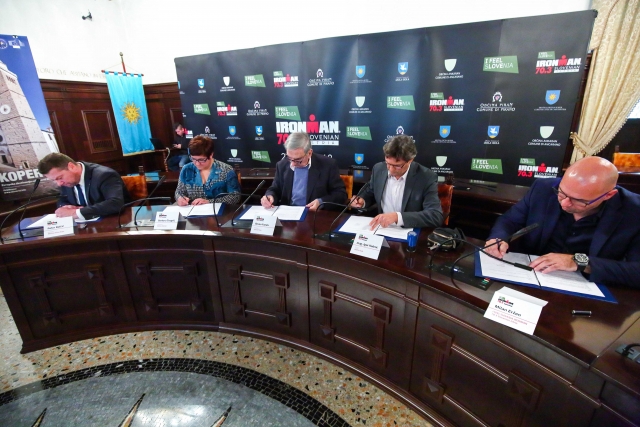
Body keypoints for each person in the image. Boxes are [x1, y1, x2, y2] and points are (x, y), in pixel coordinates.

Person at [484, 156, 640, 288]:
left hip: (587, 288)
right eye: (561, 192)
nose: (564, 203)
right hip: (531, 277)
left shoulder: (634, 211)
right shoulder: (543, 188)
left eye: (579, 200)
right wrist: (499, 238)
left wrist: (579, 262)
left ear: (608, 195)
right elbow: (509, 220)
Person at [350, 134, 443, 229]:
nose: (390, 169)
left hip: (410, 231)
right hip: (382, 229)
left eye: (397, 166)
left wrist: (397, 217)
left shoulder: (426, 177)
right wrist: (362, 201)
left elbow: (435, 215)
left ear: (410, 160)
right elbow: (370, 191)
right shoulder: (378, 169)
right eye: (388, 163)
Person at [260, 132, 347, 211]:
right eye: (289, 158)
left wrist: (321, 202)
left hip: (315, 215)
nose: (292, 164)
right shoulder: (282, 165)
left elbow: (341, 194)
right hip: (288, 214)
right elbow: (275, 189)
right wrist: (270, 196)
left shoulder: (328, 165)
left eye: (298, 160)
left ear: (309, 153)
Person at [37, 152, 130, 219]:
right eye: (54, 180)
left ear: (71, 167)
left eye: (59, 178)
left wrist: (77, 212)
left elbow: (115, 203)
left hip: (113, 222)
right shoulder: (66, 181)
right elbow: (62, 199)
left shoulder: (104, 175)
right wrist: (66, 207)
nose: (59, 183)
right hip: (83, 226)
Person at [175, 135, 240, 206]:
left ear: (211, 155)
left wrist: (209, 202)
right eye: (193, 159)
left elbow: (235, 197)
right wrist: (180, 198)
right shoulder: (186, 169)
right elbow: (179, 192)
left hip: (220, 211)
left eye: (201, 160)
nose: (197, 163)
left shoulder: (226, 170)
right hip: (192, 210)